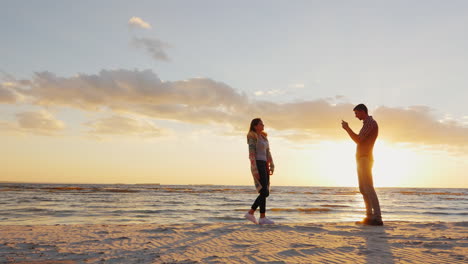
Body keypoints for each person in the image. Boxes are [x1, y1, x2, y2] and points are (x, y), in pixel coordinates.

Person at [341, 104, 383, 226]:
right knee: (363, 189)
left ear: (362, 111)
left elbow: (358, 139)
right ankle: (369, 217)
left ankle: (377, 218)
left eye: (356, 113)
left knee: (368, 187)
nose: (355, 116)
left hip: (365, 158)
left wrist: (347, 129)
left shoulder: (370, 123)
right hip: (361, 159)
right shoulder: (366, 124)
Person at [244, 118, 275, 225]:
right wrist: (254, 167)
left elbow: (268, 151)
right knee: (264, 191)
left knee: (265, 191)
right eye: (261, 124)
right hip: (258, 163)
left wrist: (271, 163)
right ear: (255, 126)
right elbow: (251, 153)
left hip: (265, 164)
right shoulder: (252, 136)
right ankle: (252, 213)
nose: (263, 125)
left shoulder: (264, 137)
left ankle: (261, 217)